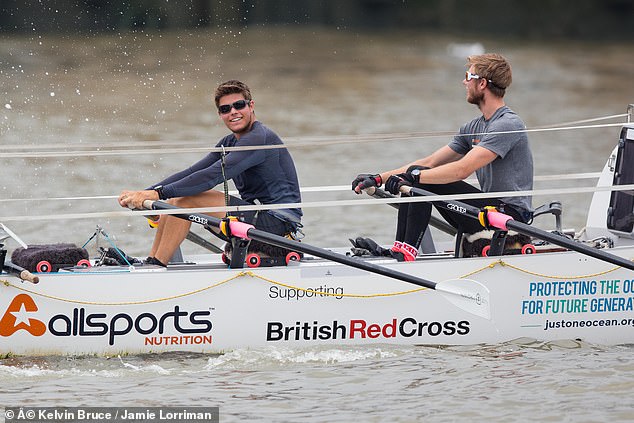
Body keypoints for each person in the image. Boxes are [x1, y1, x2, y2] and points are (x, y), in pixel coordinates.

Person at [351, 53, 533, 261]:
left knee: (419, 177)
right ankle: (400, 249)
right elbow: (429, 162)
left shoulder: (508, 124)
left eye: (468, 76)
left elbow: (462, 170)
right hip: (486, 211)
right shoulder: (473, 127)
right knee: (418, 174)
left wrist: (415, 177)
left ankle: (405, 254)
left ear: (482, 83)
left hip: (510, 217)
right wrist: (378, 178)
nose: (463, 82)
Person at [118, 80, 303, 266]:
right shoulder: (229, 142)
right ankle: (152, 261)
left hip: (277, 226)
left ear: (251, 106)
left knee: (187, 201)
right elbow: (194, 171)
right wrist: (145, 193)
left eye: (239, 105)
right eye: (225, 109)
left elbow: (212, 176)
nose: (233, 112)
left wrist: (157, 194)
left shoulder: (259, 138)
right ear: (220, 115)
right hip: (254, 217)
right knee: (175, 201)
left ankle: (157, 265)